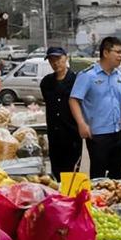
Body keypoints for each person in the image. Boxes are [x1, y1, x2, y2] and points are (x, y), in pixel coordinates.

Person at [69, 36, 121, 179]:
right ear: (105, 53)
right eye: (117, 52)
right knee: (98, 177)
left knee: (117, 177)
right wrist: (81, 124)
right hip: (98, 135)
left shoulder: (120, 77)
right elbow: (73, 100)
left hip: (118, 133)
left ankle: (115, 201)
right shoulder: (88, 75)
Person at [40, 47, 83, 179]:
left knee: (71, 176)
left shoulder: (77, 80)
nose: (55, 63)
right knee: (56, 175)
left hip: (72, 135)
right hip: (54, 136)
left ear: (66, 58)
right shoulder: (46, 82)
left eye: (58, 59)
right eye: (52, 60)